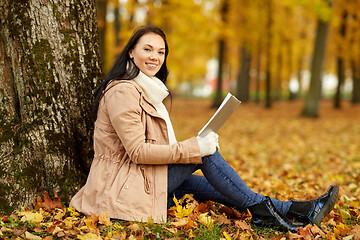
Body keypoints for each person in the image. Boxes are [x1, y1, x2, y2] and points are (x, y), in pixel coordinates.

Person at [70, 26, 339, 232]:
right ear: (131, 51)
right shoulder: (123, 92)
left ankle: (297, 209)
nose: (155, 57)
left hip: (138, 180)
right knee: (205, 154)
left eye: (161, 52)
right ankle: (268, 213)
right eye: (148, 49)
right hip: (122, 188)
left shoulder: (144, 89)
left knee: (213, 184)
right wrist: (195, 148)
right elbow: (138, 152)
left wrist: (195, 146)